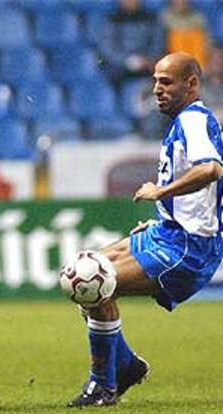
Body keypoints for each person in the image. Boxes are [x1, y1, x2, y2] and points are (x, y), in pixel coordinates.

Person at [67, 51, 223, 407]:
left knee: (94, 286)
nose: (156, 89)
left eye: (166, 82)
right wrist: (165, 212)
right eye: (155, 81)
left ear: (192, 84)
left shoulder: (194, 120)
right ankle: (126, 366)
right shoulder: (185, 120)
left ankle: (104, 384)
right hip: (169, 232)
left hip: (187, 248)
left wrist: (160, 191)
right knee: (80, 275)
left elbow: (211, 170)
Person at [98, 0, 165, 92]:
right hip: (120, 66)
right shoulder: (111, 20)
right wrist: (128, 61)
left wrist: (148, 59)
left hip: (147, 64)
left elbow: (157, 42)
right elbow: (108, 48)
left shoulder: (152, 19)